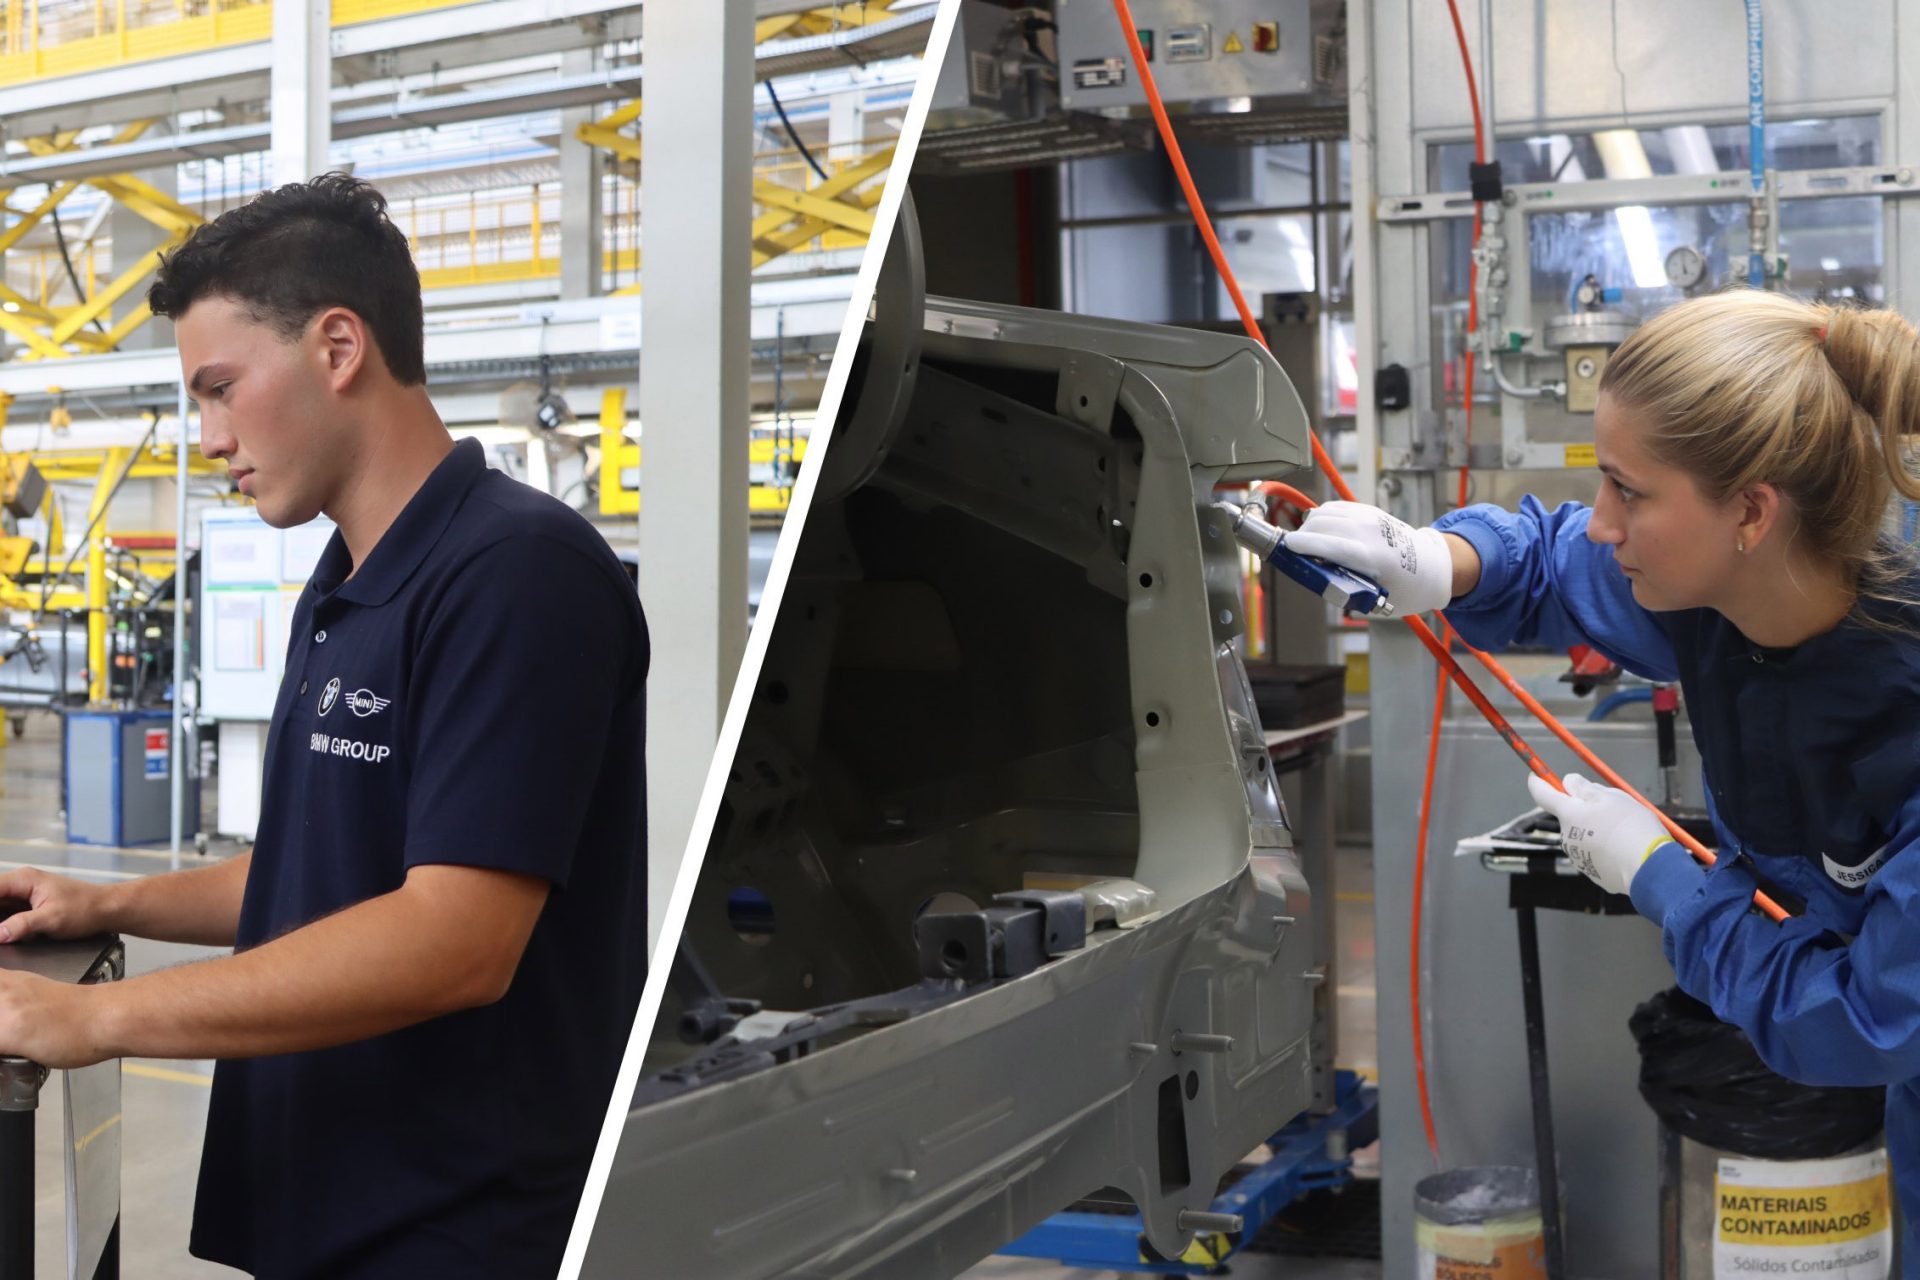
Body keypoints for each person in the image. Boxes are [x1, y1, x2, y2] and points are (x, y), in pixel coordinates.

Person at [0, 174, 648, 1277]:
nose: (208, 438)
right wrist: (109, 900)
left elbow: (455, 938)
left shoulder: (515, 573)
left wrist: (94, 1021)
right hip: (333, 1197)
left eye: (219, 388)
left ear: (338, 346)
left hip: (459, 1221)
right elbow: (320, 873)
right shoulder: (349, 583)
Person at [1284, 289, 1920, 1250]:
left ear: (1751, 511)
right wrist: (1438, 560)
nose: (1600, 523)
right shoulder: (1730, 602)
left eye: (1631, 490)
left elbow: (1868, 1019)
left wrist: (1662, 878)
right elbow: (1546, 558)